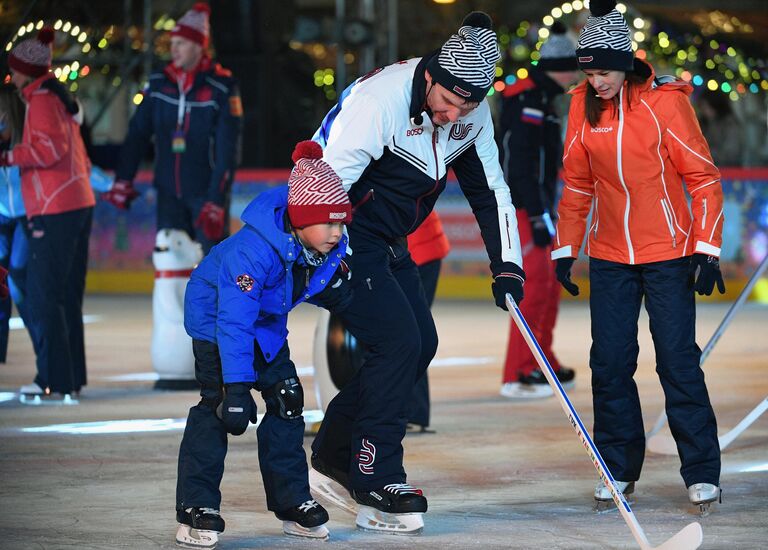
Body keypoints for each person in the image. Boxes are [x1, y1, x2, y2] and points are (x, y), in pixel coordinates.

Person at [308, 12, 524, 534]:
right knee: (398, 342)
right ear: (430, 77)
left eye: (467, 107)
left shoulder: (470, 113)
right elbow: (325, 180)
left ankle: (334, 452)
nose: (454, 116)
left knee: (419, 343)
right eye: (448, 102)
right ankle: (376, 474)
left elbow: (489, 189)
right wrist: (321, 255)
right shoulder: (379, 100)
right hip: (336, 231)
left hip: (386, 239)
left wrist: (508, 265)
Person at [551, 0, 723, 512]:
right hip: (609, 255)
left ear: (625, 65)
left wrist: (706, 247)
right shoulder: (582, 106)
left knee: (676, 360)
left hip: (667, 252)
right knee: (608, 364)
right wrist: (566, 248)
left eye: (604, 71)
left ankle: (701, 471)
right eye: (589, 71)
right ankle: (618, 467)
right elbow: (578, 184)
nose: (596, 81)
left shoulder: (665, 104)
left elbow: (703, 178)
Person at [175, 141, 353, 547]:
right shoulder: (252, 252)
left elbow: (322, 285)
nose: (337, 233)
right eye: (328, 223)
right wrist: (236, 388)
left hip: (266, 326)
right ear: (301, 220)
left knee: (288, 400)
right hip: (217, 324)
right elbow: (233, 320)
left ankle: (292, 501)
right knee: (218, 407)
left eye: (341, 224)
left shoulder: (319, 245)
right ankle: (196, 507)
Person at [104, 2, 242, 253]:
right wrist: (124, 178)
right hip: (168, 194)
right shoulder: (158, 83)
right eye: (173, 42)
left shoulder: (221, 87)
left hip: (205, 194)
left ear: (199, 45)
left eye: (181, 43)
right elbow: (138, 133)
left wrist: (216, 200)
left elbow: (227, 150)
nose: (173, 48)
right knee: (170, 267)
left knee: (211, 269)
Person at [4, 28, 95, 399]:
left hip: (56, 207)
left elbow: (47, 151)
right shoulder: (56, 98)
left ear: (25, 70)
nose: (11, 75)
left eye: (14, 68)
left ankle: (55, 382)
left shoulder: (40, 101)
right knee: (64, 295)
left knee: (45, 296)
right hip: (75, 203)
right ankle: (70, 379)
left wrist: (7, 156)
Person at [498, 21, 580, 399]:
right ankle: (517, 371)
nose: (577, 74)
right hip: (522, 207)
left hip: (539, 205)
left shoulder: (544, 99)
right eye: (573, 66)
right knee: (532, 288)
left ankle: (541, 358)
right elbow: (519, 163)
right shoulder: (526, 99)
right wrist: (532, 212)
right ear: (559, 67)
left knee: (549, 285)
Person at [0, 84, 37, 361]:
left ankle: (42, 348)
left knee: (16, 282)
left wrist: (111, 185)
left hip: (26, 217)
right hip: (2, 218)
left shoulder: (28, 145)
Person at [405, 210, 450, 431]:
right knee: (410, 330)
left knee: (407, 332)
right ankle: (414, 412)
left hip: (417, 252)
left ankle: (412, 413)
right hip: (422, 248)